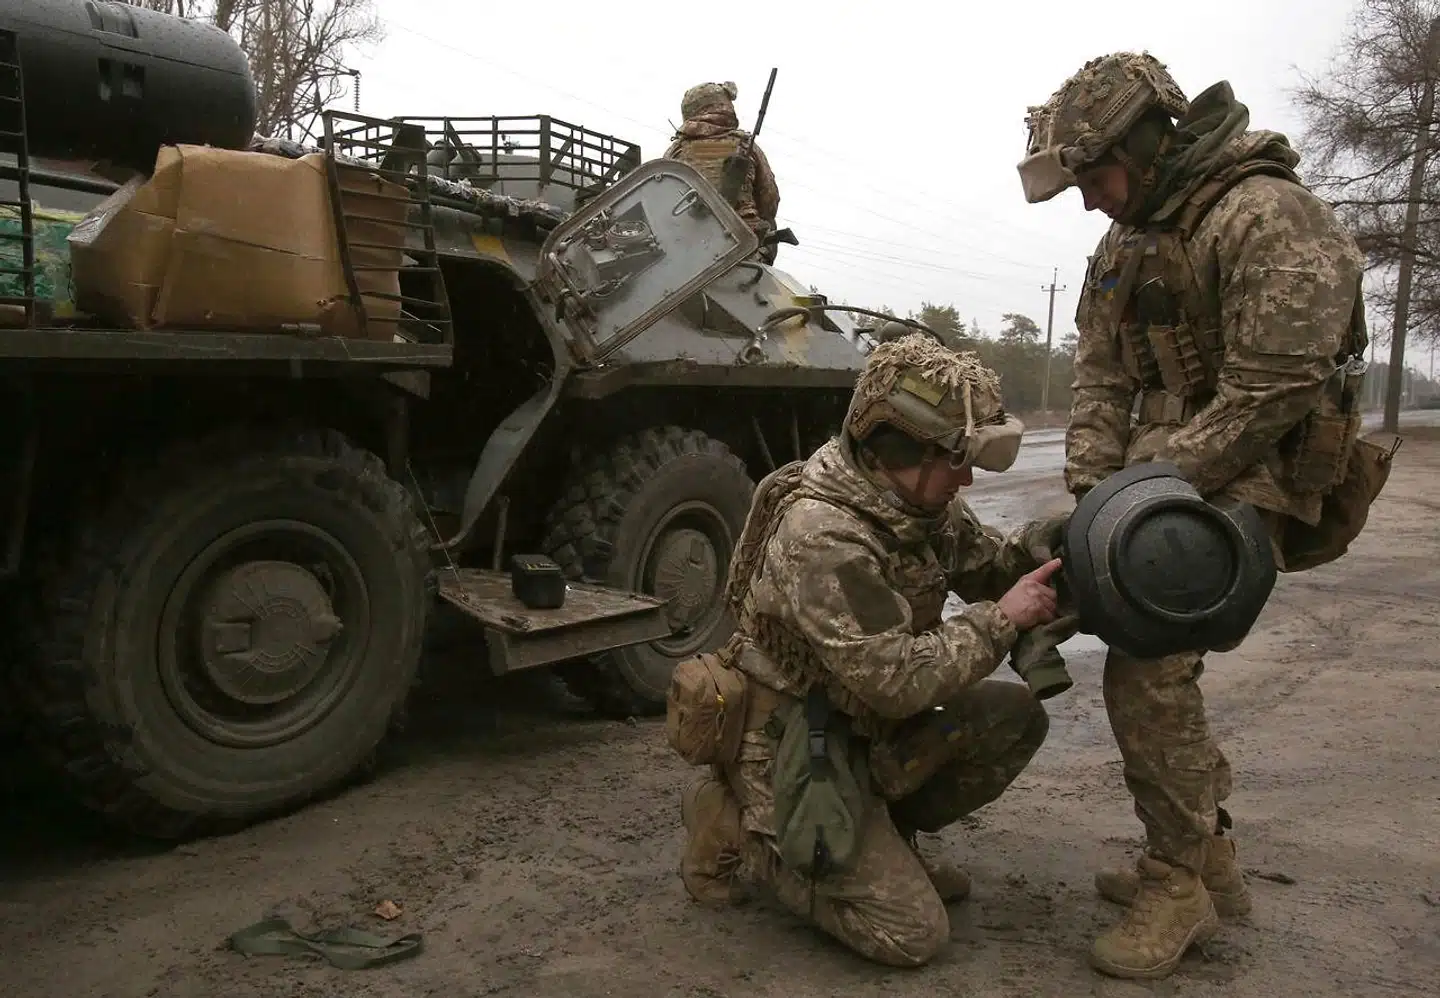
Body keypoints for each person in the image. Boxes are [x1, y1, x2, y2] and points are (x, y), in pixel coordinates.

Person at [1017, 52, 1369, 980]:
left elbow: (1276, 387)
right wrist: (1094, 497)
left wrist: (1143, 488)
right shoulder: (1125, 243)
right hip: (1167, 477)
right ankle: (1211, 858)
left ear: (1144, 144)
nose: (1091, 202)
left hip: (1264, 469)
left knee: (1144, 649)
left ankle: (1180, 883)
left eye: (1095, 177)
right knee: (1089, 575)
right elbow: (1099, 373)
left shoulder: (1265, 214)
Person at [675, 332, 1071, 967]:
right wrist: (1002, 619)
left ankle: (883, 835)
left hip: (860, 717)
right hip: (792, 735)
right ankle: (738, 828)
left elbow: (985, 563)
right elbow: (896, 682)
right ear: (898, 450)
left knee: (1015, 720)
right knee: (910, 934)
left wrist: (1048, 552)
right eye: (956, 461)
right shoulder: (826, 535)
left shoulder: (914, 501)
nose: (966, 478)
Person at [663, 81, 781, 261]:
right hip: (743, 243)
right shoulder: (745, 145)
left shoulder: (674, 152)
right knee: (769, 225)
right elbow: (770, 201)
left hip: (689, 247)